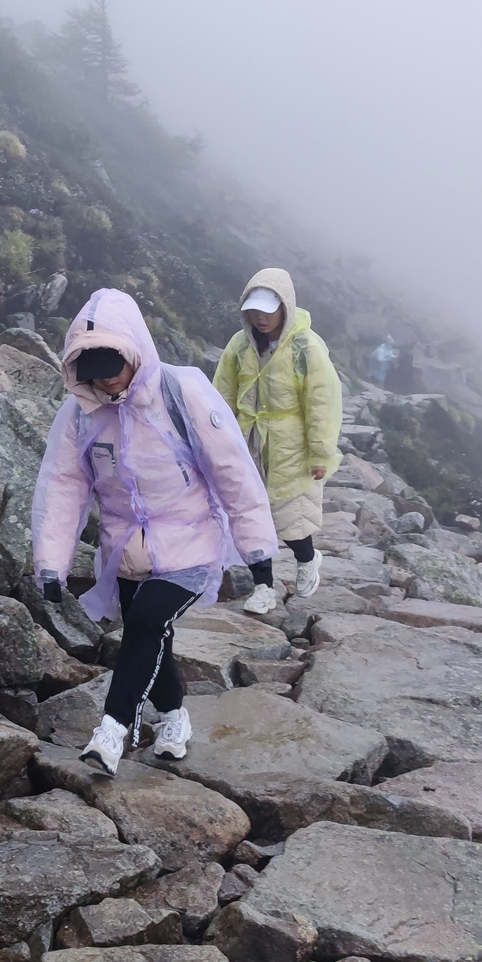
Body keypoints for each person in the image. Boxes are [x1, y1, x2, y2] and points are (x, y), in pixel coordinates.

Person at [32, 289, 278, 774]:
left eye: (112, 367)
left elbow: (232, 470)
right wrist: (50, 564)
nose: (105, 381)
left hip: (191, 542)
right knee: (153, 638)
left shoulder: (181, 392)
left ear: (135, 352)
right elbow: (62, 488)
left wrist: (258, 553)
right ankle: (174, 720)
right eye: (94, 372)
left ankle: (111, 731)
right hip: (125, 551)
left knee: (146, 623)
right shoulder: (81, 414)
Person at [213, 268, 343, 606]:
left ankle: (306, 558)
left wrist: (320, 453)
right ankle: (263, 587)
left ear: (284, 306)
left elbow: (321, 402)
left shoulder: (305, 348)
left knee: (291, 515)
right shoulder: (240, 346)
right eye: (253, 310)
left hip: (290, 444)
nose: (260, 318)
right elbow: (223, 392)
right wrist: (215, 436)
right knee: (248, 514)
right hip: (248, 439)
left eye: (267, 310)